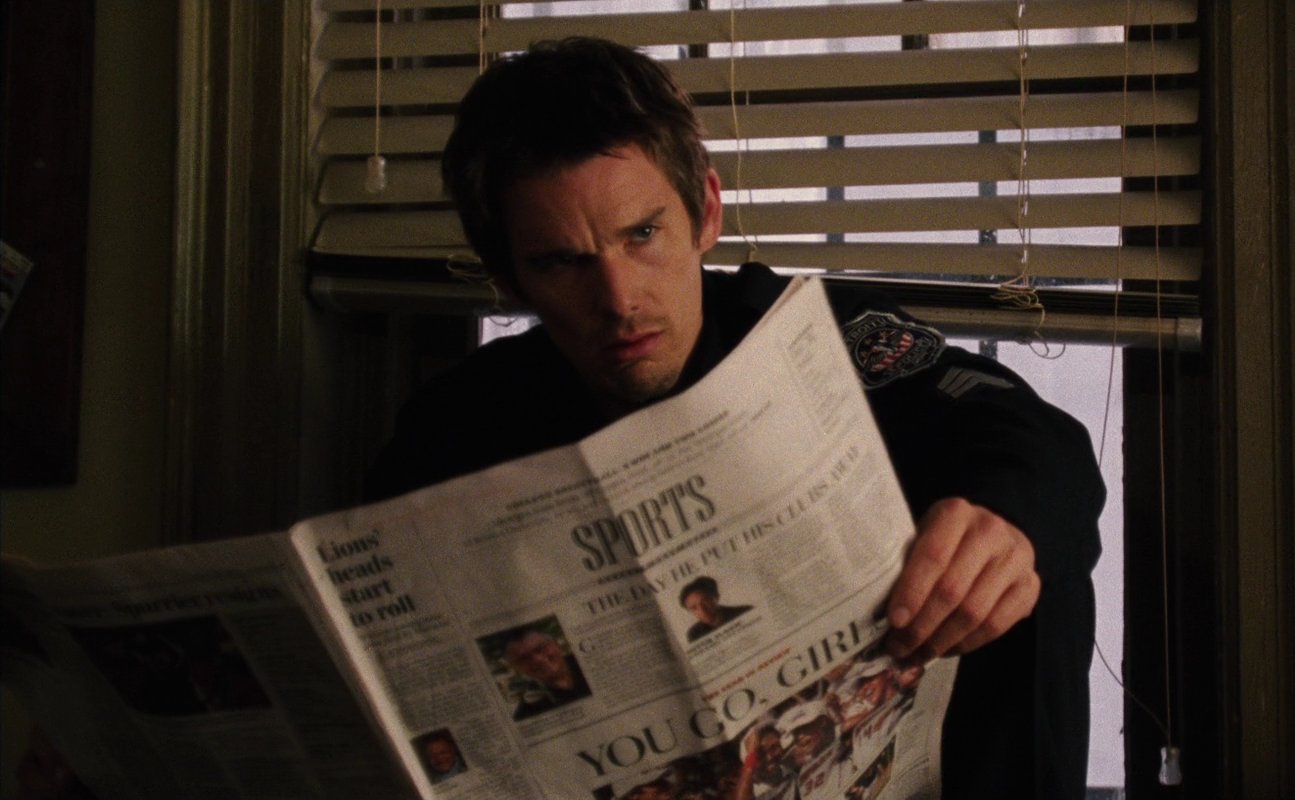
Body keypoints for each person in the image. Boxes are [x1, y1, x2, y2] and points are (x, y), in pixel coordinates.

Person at [365, 37, 1104, 798]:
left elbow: (1028, 432)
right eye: (562, 262)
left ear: (707, 211)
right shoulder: (454, 426)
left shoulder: (809, 334)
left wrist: (1005, 519)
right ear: (509, 278)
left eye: (642, 234)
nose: (619, 300)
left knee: (1022, 567)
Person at [498, 628, 593, 719]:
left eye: (540, 649)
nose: (538, 660)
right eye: (524, 658)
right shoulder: (528, 712)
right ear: (516, 668)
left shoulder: (589, 659)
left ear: (556, 644)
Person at [679, 576, 752, 642]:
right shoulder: (694, 634)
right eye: (694, 608)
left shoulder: (745, 612)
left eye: (705, 601)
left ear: (716, 597)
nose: (702, 610)